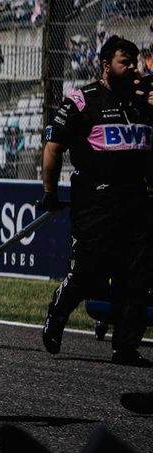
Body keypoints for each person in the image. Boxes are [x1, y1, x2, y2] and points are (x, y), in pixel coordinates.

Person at [39, 35, 153, 366]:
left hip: (137, 198)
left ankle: (126, 346)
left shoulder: (141, 102)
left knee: (136, 275)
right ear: (105, 65)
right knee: (90, 270)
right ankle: (59, 310)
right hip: (96, 200)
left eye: (135, 61)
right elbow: (53, 148)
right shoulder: (81, 100)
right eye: (125, 62)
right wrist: (49, 193)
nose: (133, 67)